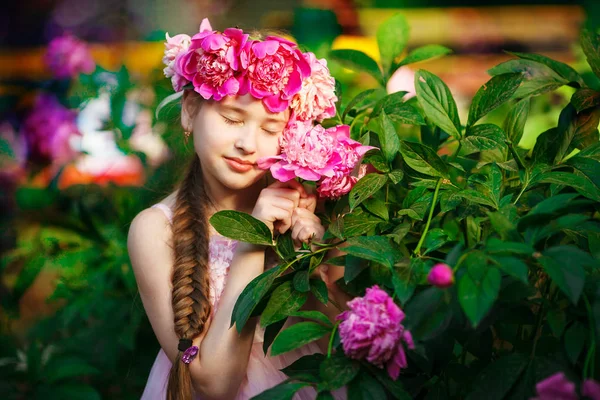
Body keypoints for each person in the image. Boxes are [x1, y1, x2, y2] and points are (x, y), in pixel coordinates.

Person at [127, 18, 346, 400]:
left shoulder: (315, 209)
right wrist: (253, 240)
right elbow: (214, 384)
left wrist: (319, 259)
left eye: (271, 127)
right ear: (190, 111)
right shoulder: (153, 230)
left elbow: (353, 335)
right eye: (232, 118)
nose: (248, 143)